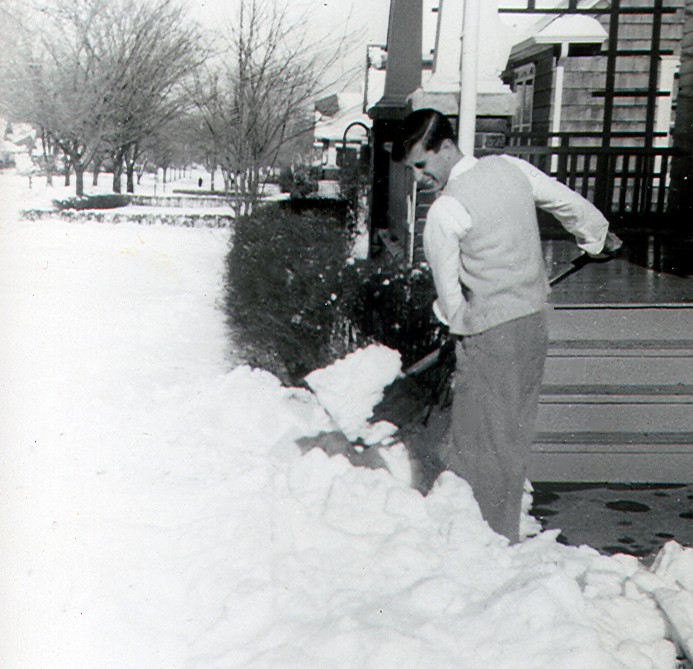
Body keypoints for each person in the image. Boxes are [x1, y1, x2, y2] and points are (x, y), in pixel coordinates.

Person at [391, 108, 622, 543]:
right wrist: (596, 237)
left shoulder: (445, 211)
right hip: (533, 325)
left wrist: (458, 330)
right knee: (509, 437)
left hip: (489, 336)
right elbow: (567, 202)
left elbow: (451, 300)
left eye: (421, 165)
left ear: (445, 146)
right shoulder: (510, 168)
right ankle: (498, 534)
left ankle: (486, 543)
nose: (419, 178)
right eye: (412, 170)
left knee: (480, 444)